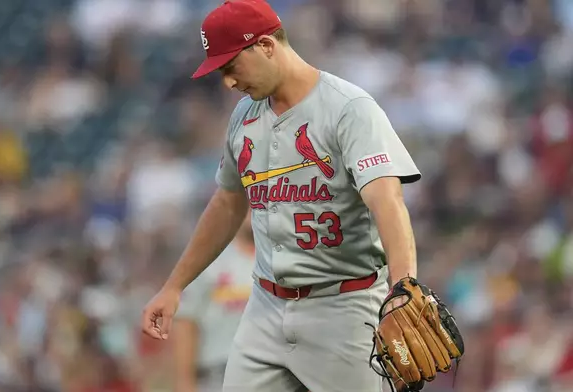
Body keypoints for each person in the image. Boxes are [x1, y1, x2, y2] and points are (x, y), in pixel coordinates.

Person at [141, 1, 421, 391]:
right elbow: (226, 202)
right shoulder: (243, 116)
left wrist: (403, 284)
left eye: (231, 67)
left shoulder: (349, 109)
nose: (228, 82)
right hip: (265, 308)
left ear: (267, 46)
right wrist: (174, 286)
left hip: (342, 306)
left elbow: (387, 200)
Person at [171, 211, 255, 392]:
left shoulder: (283, 261)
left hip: (273, 374)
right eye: (246, 205)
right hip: (218, 375)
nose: (252, 210)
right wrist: (184, 382)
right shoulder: (209, 260)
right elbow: (186, 322)